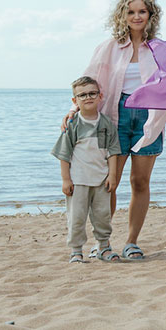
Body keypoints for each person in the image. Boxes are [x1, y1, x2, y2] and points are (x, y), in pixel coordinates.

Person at [62, 0, 166, 261]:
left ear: (150, 15)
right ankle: (104, 242)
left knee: (140, 181)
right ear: (122, 15)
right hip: (114, 117)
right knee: (110, 182)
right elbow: (90, 80)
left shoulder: (158, 48)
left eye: (142, 11)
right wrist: (74, 109)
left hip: (149, 116)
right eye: (131, 11)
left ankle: (132, 241)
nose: (136, 16)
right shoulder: (108, 47)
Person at [52, 76, 121, 263]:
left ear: (100, 96)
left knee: (102, 216)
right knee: (76, 217)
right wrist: (66, 180)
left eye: (92, 93)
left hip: (101, 180)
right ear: (75, 100)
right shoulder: (72, 125)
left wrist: (112, 176)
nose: (88, 97)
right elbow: (64, 155)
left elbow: (113, 152)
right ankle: (76, 250)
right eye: (82, 95)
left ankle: (104, 247)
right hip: (78, 181)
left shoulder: (107, 124)